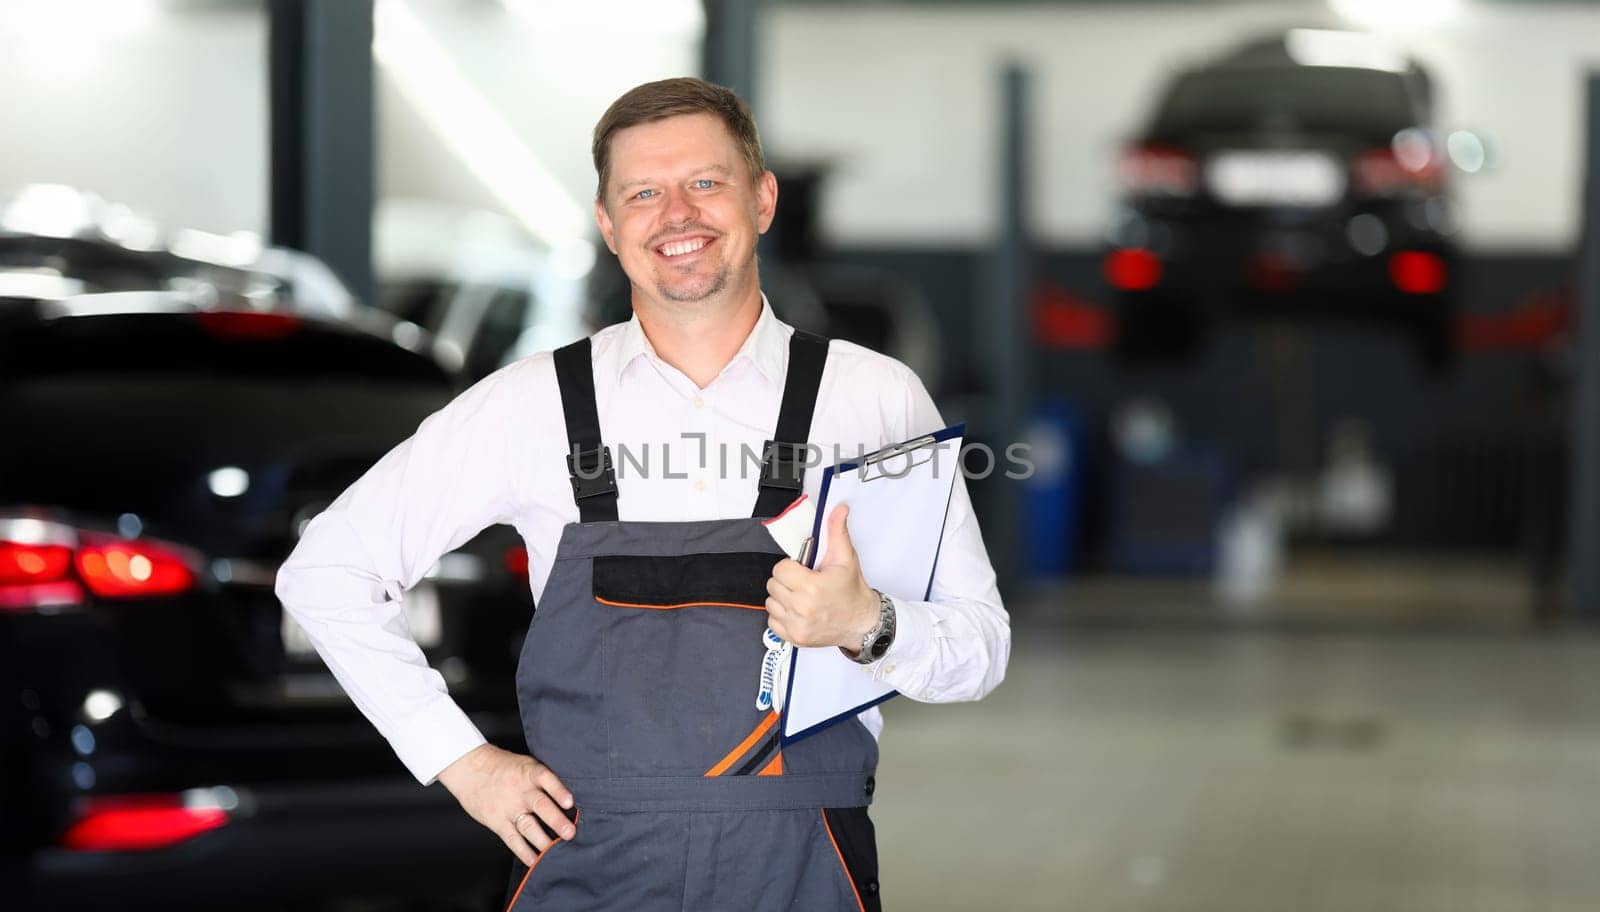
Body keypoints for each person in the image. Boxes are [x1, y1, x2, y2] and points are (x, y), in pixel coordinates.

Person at [275, 76, 1009, 911]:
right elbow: (326, 571)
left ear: (761, 200)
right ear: (608, 225)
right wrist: (463, 764)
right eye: (643, 193)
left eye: (705, 182)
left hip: (803, 864)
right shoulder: (532, 404)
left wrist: (867, 625)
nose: (677, 215)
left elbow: (980, 648)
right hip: (592, 865)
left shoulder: (873, 398)